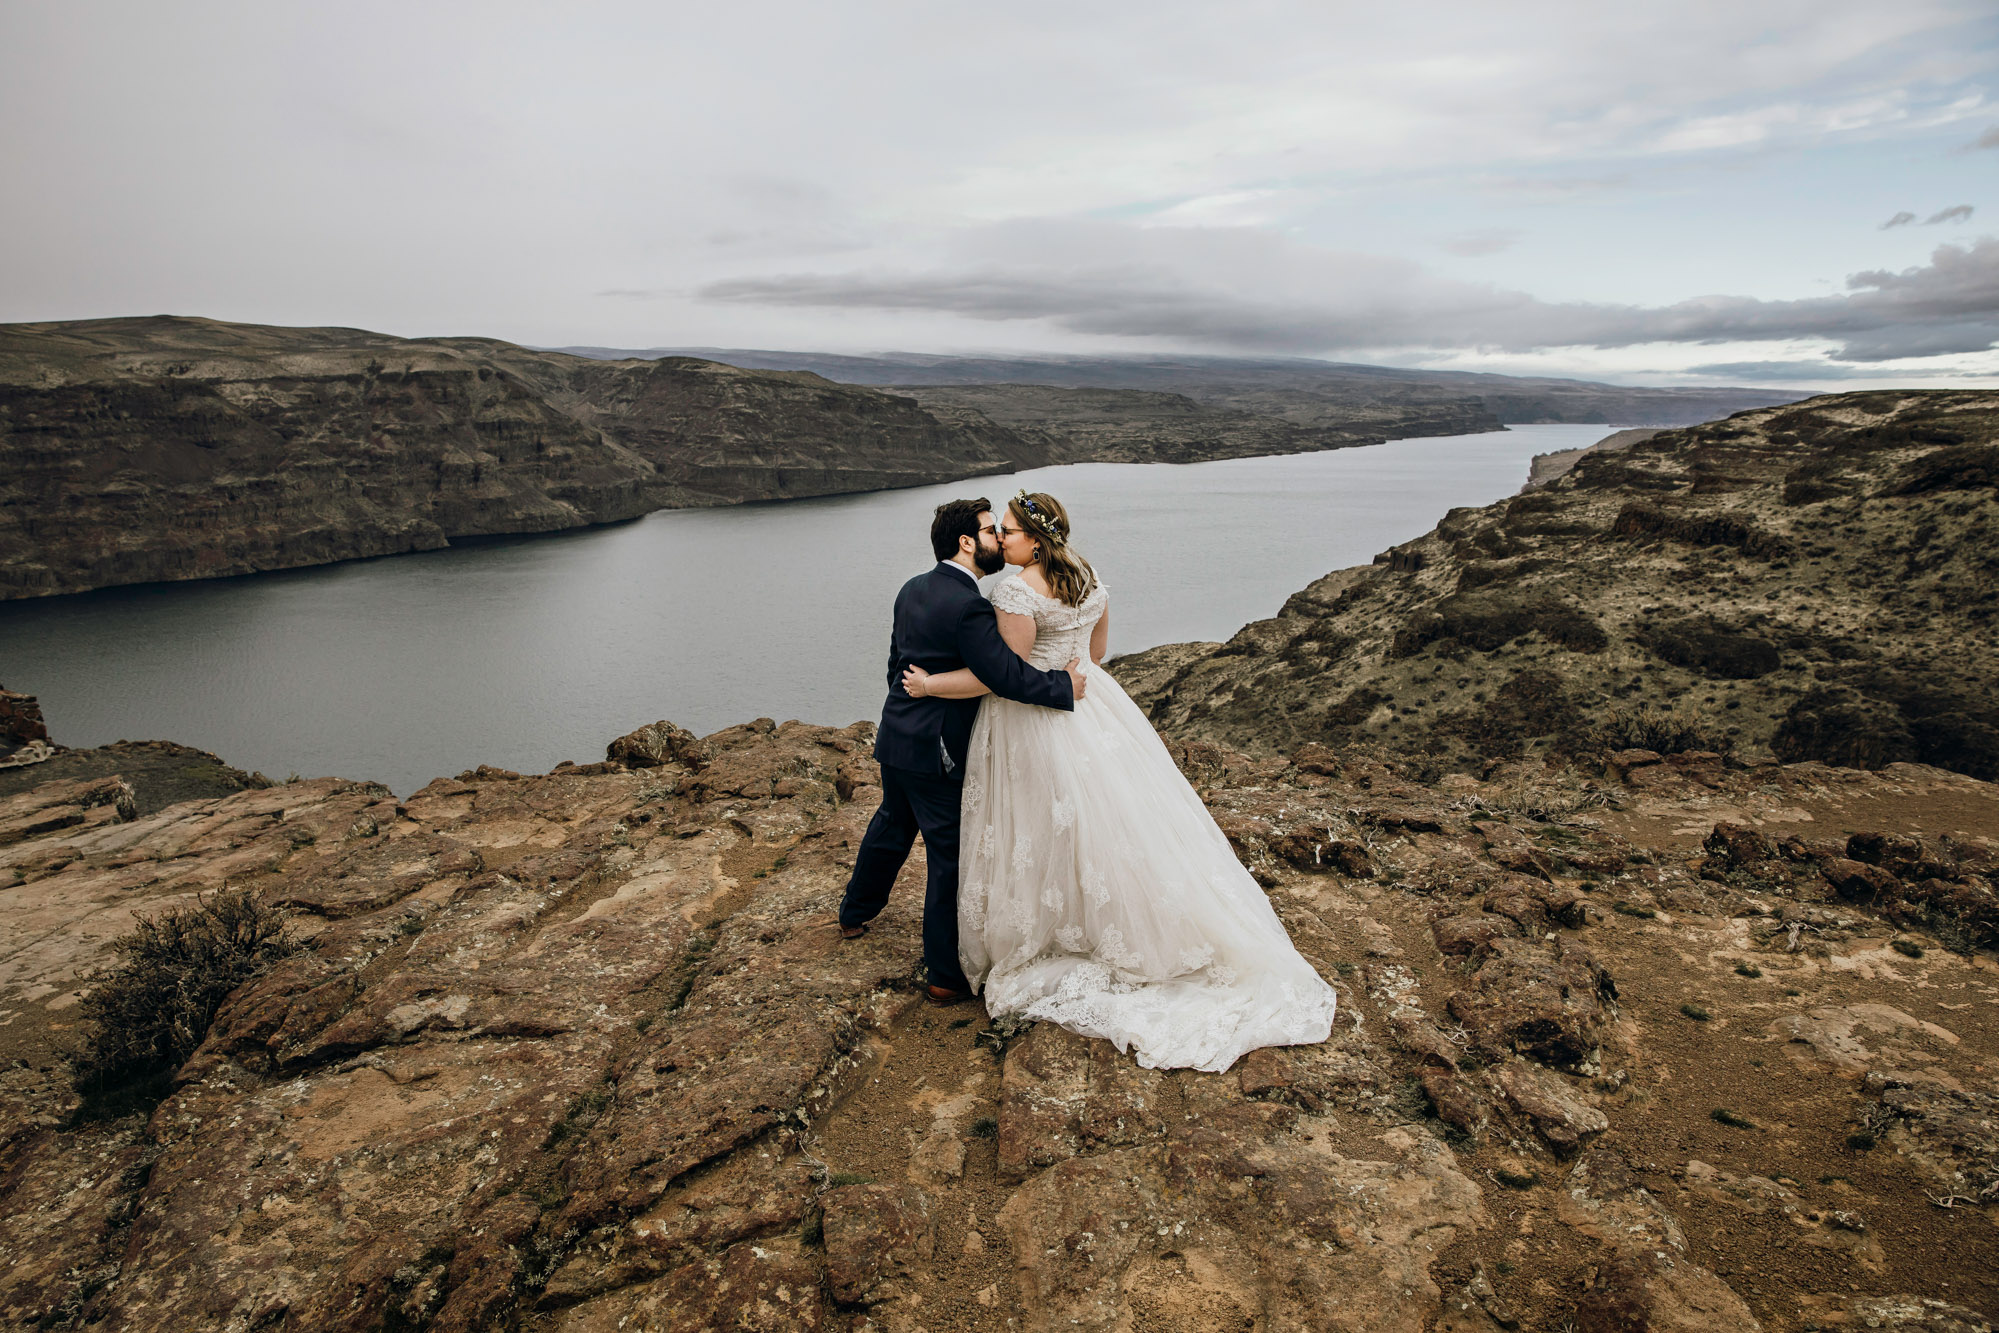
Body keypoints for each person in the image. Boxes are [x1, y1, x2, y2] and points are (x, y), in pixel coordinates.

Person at [902, 490, 1337, 1071]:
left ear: (1034, 539)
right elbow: (1098, 651)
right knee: (1111, 816)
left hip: (1034, 719)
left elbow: (1000, 678)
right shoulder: (1087, 575)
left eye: (1008, 530)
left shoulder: (1012, 590)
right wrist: (1071, 671)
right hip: (1094, 706)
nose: (1001, 539)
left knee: (1041, 822)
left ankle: (1058, 929)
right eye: (997, 530)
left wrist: (931, 687)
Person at [838, 497, 1087, 1005]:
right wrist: (1062, 686)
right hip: (940, 752)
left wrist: (904, 712)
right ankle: (945, 975)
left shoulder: (911, 589)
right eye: (992, 531)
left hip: (898, 737)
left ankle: (853, 913)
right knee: (949, 860)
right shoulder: (969, 604)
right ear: (967, 543)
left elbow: (895, 665)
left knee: (891, 823)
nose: (999, 538)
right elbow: (1003, 675)